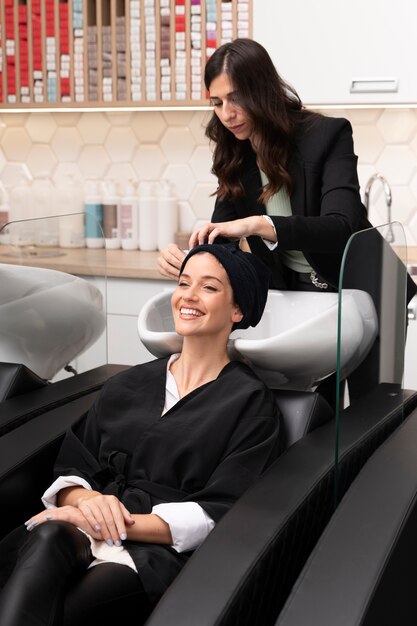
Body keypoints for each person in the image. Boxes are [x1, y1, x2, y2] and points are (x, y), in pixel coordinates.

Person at [0, 243, 280, 626]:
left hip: (154, 550)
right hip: (81, 525)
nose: (189, 296)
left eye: (209, 287)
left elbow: (218, 511)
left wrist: (106, 521)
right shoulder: (128, 383)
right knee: (48, 538)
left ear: (238, 310)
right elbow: (73, 464)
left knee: (68, 607)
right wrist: (87, 500)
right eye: (184, 282)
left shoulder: (250, 405)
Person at [158, 37, 416, 405]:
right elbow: (223, 241)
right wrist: (186, 259)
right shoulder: (235, 151)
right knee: (313, 412)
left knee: (371, 414)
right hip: (301, 297)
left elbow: (341, 226)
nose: (227, 114)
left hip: (370, 292)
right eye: (217, 102)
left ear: (262, 91)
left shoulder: (327, 135)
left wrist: (260, 224)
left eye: (236, 99)